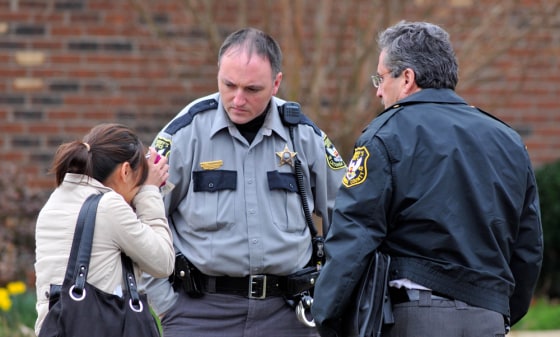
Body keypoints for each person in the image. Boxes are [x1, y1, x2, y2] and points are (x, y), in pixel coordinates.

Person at [311, 20, 543, 337]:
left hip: (416, 316)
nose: (378, 90)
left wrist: (325, 314)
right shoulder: (508, 141)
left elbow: (354, 235)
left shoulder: (385, 135)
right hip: (488, 317)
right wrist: (498, 307)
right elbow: (528, 247)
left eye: (381, 78)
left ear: (407, 78)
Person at [142, 27, 346, 337]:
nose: (238, 99)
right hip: (200, 315)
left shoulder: (302, 135)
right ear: (218, 74)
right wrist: (167, 304)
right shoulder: (184, 134)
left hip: (288, 315)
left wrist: (331, 297)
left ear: (276, 83)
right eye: (229, 85)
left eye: (252, 89)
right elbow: (140, 216)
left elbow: (347, 218)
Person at [34, 123, 175, 335]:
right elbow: (163, 262)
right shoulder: (109, 207)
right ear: (125, 171)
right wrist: (150, 191)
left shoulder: (55, 201)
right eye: (139, 178)